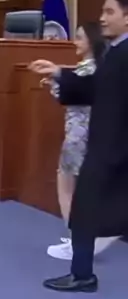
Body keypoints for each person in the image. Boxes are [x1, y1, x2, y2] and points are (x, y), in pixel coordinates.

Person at [30, 0, 128, 292]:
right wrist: (59, 73)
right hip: (107, 144)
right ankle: (82, 273)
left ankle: (83, 274)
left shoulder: (123, 53)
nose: (102, 18)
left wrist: (62, 75)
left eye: (109, 12)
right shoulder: (115, 51)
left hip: (113, 146)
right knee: (88, 209)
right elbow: (95, 88)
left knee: (86, 208)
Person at [45, 22, 116, 260]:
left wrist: (54, 83)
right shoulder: (101, 67)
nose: (75, 42)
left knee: (68, 188)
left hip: (78, 135)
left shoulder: (87, 69)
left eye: (79, 37)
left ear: (91, 41)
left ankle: (77, 241)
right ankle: (82, 238)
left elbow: (70, 94)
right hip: (92, 134)